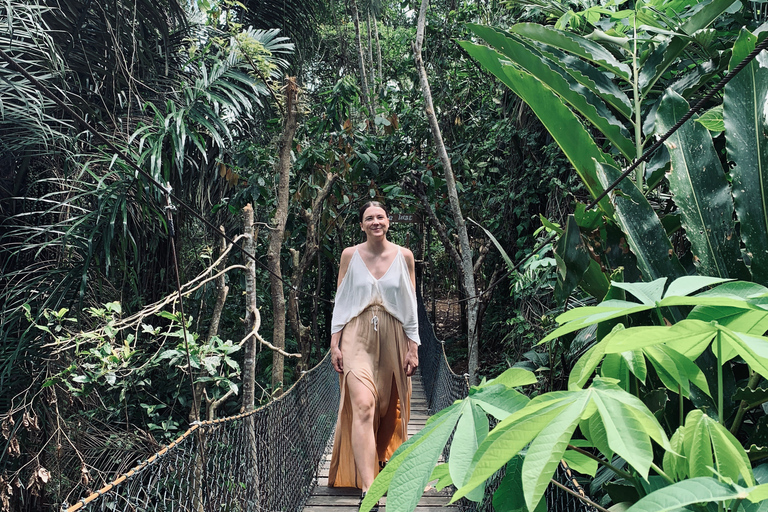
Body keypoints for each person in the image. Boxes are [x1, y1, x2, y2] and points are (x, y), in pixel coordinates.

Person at [327, 201, 420, 507]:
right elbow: (341, 300)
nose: (376, 221)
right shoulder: (350, 256)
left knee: (389, 409)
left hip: (393, 334)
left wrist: (413, 347)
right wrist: (335, 343)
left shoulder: (405, 256)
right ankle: (370, 488)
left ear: (388, 222)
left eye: (380, 217)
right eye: (369, 218)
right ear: (362, 225)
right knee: (364, 406)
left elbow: (410, 305)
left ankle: (381, 458)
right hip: (357, 334)